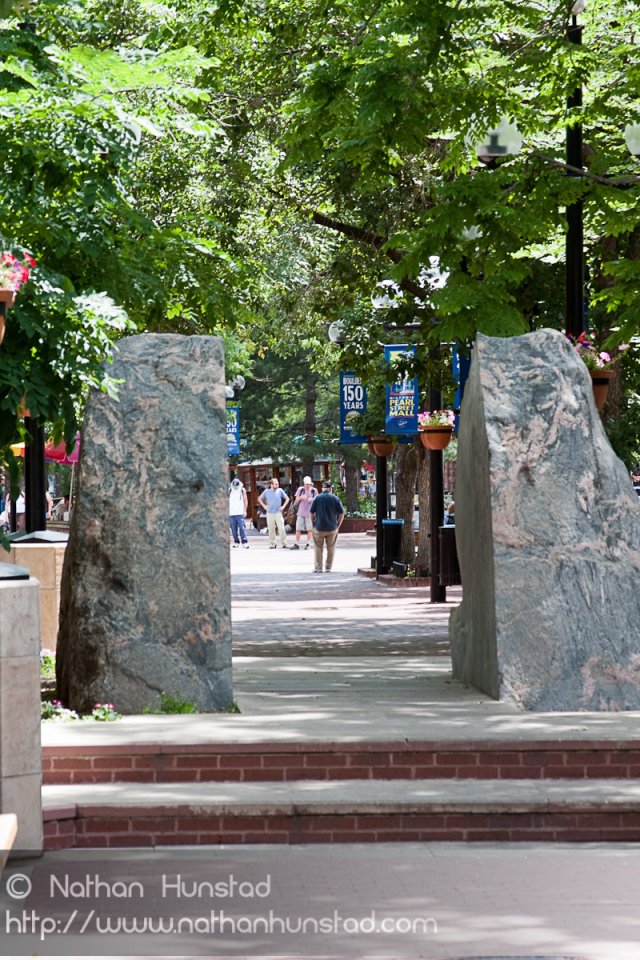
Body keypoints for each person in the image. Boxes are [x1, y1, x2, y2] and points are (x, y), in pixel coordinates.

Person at [309, 480, 344, 573]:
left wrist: (313, 525)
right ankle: (328, 567)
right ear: (330, 488)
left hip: (319, 527)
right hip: (332, 527)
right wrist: (338, 525)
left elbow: (311, 512)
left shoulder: (317, 498)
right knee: (331, 548)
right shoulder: (335, 498)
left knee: (318, 548)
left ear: (322, 488)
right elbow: (341, 513)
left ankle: (318, 568)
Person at [258, 477, 290, 548]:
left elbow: (287, 498)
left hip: (278, 512)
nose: (277, 485)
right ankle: (273, 543)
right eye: (276, 484)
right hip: (269, 513)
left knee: (281, 528)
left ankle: (284, 543)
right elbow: (259, 499)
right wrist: (264, 506)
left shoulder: (280, 490)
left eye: (278, 483)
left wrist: (283, 507)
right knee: (271, 529)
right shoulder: (266, 491)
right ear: (271, 485)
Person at [291, 475, 318, 550]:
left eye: (309, 484)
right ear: (304, 483)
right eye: (307, 484)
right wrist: (301, 497)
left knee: (309, 529)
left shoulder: (314, 490)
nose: (308, 485)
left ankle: (308, 543)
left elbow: (317, 500)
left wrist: (312, 499)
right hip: (301, 512)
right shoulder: (300, 489)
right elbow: (296, 500)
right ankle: (296, 543)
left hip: (310, 513)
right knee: (298, 528)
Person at [228, 476, 249, 548]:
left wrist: (245, 510)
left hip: (240, 512)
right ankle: (236, 541)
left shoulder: (242, 490)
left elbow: (245, 501)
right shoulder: (229, 490)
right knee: (233, 529)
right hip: (231, 513)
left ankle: (244, 542)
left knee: (242, 528)